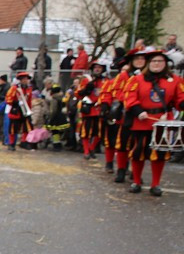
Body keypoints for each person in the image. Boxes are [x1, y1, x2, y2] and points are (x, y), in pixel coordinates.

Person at [121, 47, 183, 196]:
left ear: (166, 63)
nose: (156, 64)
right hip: (141, 121)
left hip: (162, 122)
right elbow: (129, 98)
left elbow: (179, 99)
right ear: (148, 63)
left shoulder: (175, 80)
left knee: (159, 154)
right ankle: (136, 181)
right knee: (138, 153)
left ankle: (156, 184)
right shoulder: (136, 79)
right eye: (153, 61)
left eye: (160, 61)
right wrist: (138, 111)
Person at [108, 49, 147, 182]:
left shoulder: (149, 77)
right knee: (123, 144)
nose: (140, 61)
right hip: (128, 114)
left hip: (144, 116)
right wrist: (129, 100)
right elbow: (116, 92)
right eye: (137, 59)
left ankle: (135, 172)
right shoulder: (124, 76)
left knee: (139, 145)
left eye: (142, 58)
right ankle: (121, 169)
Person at [76, 61, 108, 159]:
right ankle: (86, 151)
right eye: (95, 67)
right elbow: (77, 94)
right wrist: (86, 90)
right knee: (86, 132)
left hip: (100, 109)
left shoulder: (106, 81)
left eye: (99, 67)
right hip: (89, 109)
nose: (97, 69)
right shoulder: (86, 80)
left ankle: (91, 148)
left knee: (99, 132)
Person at [5, 72, 35, 151]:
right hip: (16, 110)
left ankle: (24, 142)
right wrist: (16, 102)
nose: (26, 81)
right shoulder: (14, 88)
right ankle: (11, 144)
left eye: (27, 79)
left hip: (25, 110)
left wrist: (28, 108)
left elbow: (29, 100)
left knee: (27, 127)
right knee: (13, 128)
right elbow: (8, 99)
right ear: (20, 80)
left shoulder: (29, 88)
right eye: (24, 79)